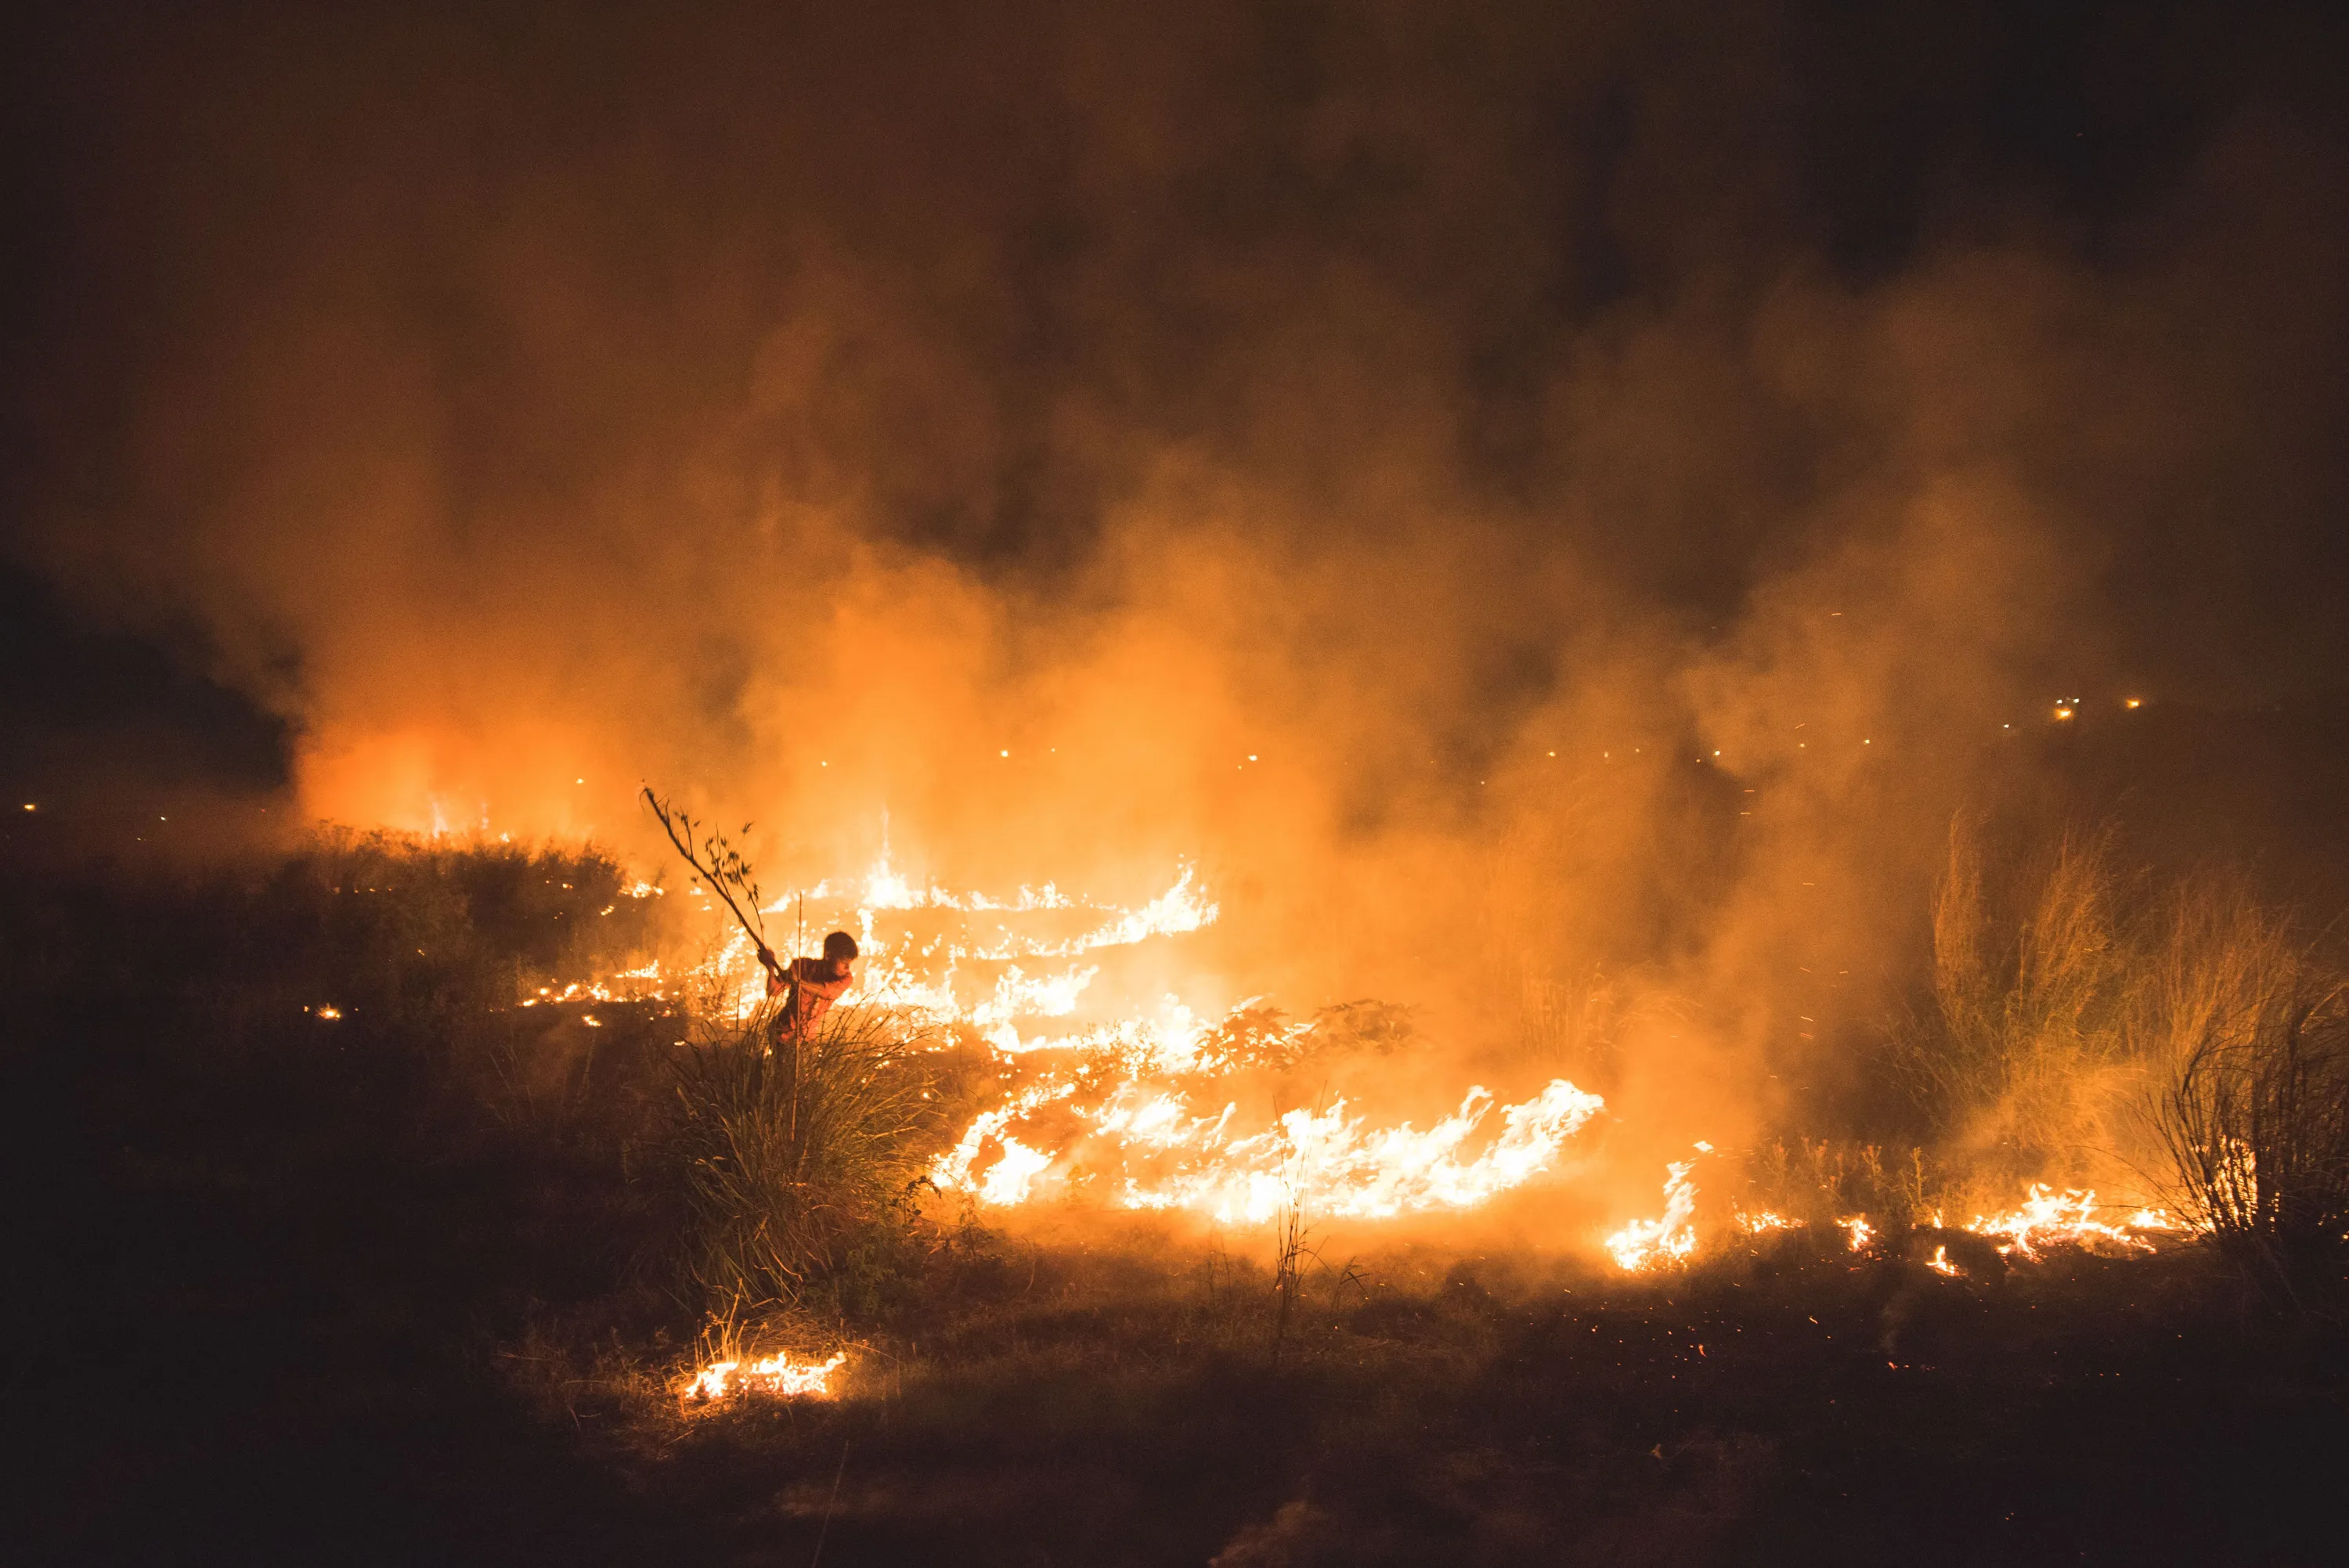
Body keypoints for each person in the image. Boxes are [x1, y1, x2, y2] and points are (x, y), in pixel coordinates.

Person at [760, 930, 858, 1040]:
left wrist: (799, 982)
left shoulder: (846, 978)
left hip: (807, 1038)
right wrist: (770, 967)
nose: (848, 968)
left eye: (850, 963)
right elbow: (773, 991)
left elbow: (827, 992)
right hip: (782, 1034)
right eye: (844, 962)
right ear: (828, 956)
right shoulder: (802, 966)